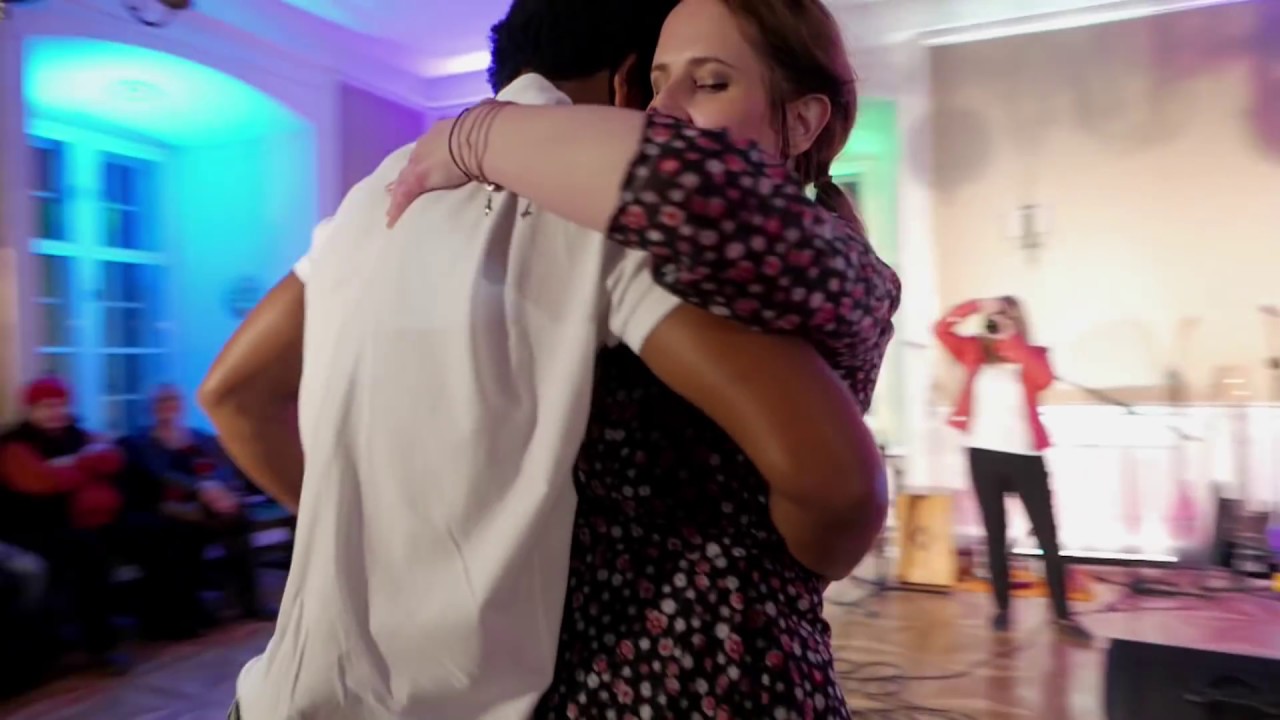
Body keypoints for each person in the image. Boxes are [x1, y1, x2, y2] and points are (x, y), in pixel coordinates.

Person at [202, 0, 892, 717]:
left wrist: (374, 542)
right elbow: (837, 486)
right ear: (628, 82)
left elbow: (234, 396)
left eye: (710, 81)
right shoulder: (600, 218)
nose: (664, 111)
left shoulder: (380, 189)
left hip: (276, 696)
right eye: (659, 81)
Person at [935, 296, 1090, 640]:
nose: (996, 322)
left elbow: (1044, 378)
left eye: (1005, 317)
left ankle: (1063, 615)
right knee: (995, 536)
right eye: (994, 319)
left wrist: (1010, 338)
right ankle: (1002, 608)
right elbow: (941, 329)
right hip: (982, 454)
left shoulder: (1032, 354)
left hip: (1025, 457)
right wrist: (976, 307)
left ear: (1017, 321)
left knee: (1048, 538)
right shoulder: (974, 350)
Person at [115, 385, 265, 639]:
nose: (167, 406)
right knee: (183, 534)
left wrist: (221, 491)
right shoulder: (140, 442)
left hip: (204, 507)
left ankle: (249, 604)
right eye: (161, 402)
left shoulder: (200, 438)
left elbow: (222, 469)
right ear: (150, 408)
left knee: (238, 519)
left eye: (172, 400)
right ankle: (187, 612)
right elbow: (160, 476)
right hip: (164, 508)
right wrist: (201, 488)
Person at [0, 377, 129, 673]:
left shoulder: (77, 434)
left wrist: (70, 467)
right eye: (46, 406)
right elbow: (40, 482)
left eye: (60, 405)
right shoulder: (14, 443)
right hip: (26, 528)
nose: (54, 412)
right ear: (31, 409)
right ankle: (98, 647)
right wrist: (84, 465)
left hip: (75, 522)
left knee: (136, 532)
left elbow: (112, 458)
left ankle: (153, 622)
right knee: (86, 554)